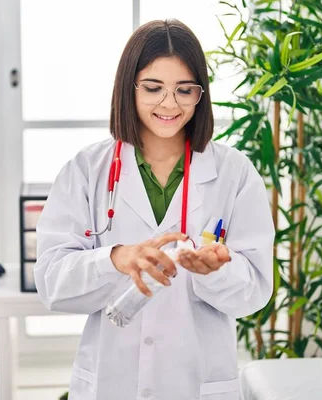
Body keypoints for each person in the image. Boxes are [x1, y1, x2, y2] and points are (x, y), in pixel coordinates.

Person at [34, 19, 274, 400]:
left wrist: (213, 273)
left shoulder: (235, 173)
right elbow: (50, 282)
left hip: (198, 383)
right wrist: (115, 259)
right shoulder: (86, 171)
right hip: (112, 382)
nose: (169, 103)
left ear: (201, 94)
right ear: (128, 88)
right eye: (153, 88)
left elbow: (256, 292)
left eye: (184, 90)